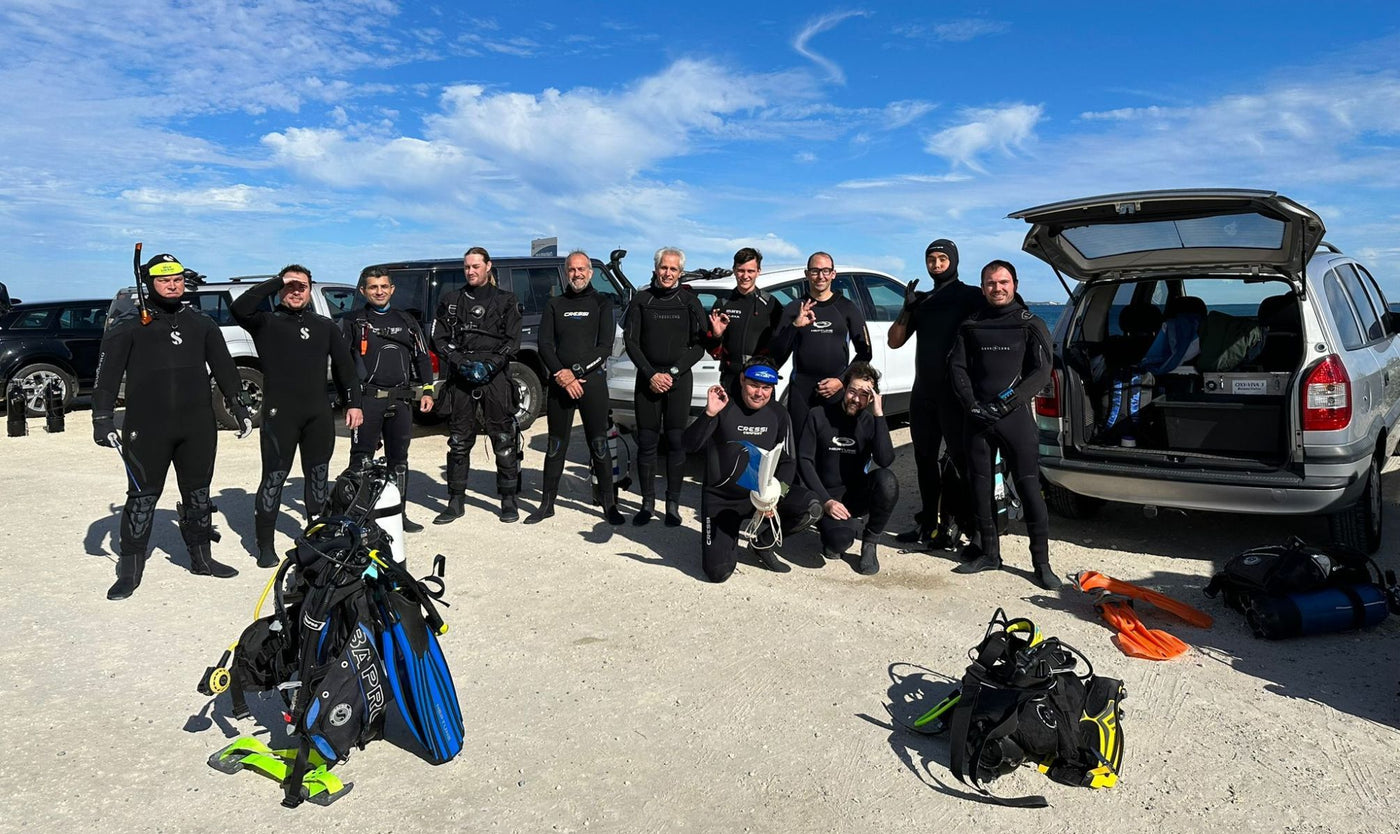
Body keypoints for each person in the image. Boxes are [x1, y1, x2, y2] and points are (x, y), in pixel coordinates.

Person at [93, 253, 253, 599]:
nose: (172, 285)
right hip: (147, 428)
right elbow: (106, 377)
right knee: (142, 498)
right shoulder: (130, 324)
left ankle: (202, 559)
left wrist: (239, 407)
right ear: (150, 283)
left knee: (198, 495)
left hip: (197, 425)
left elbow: (225, 368)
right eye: (164, 280)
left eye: (178, 279)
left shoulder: (201, 323)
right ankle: (130, 570)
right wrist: (102, 418)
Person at [232, 265, 362, 567]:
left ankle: (316, 535)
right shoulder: (265, 322)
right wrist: (278, 280)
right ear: (280, 289)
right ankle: (264, 544)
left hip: (317, 413)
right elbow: (240, 307)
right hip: (281, 415)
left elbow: (345, 368)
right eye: (289, 286)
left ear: (309, 289)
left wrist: (353, 403)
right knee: (274, 478)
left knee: (318, 476)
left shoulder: (324, 325)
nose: (295, 291)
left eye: (301, 286)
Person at [948, 260, 1060, 590]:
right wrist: (971, 404)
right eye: (991, 283)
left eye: (1003, 282)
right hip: (978, 418)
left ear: (1015, 284)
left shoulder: (1030, 323)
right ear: (982, 287)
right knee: (979, 486)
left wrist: (1005, 403)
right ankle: (989, 553)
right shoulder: (971, 324)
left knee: (1029, 488)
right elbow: (957, 368)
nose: (997, 288)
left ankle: (1041, 563)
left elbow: (1040, 372)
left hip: (1013, 418)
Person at [682, 359, 823, 583]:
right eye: (753, 385)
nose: (759, 393)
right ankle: (724, 542)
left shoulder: (778, 414)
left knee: (811, 507)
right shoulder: (723, 405)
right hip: (721, 501)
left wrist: (776, 497)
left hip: (759, 497)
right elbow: (688, 446)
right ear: (741, 380)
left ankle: (761, 543)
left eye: (766, 387)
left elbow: (788, 463)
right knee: (718, 573)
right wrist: (709, 414)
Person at [886, 238, 986, 550]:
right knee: (923, 459)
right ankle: (929, 522)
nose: (937, 264)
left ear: (954, 261)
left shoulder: (971, 296)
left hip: (956, 393)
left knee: (962, 459)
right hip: (924, 392)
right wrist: (906, 308)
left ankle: (973, 526)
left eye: (943, 258)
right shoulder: (922, 301)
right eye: (932, 259)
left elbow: (999, 322)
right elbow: (894, 341)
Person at [526, 251, 626, 526]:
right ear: (566, 272)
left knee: (599, 444)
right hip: (561, 384)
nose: (577, 274)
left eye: (582, 269)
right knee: (556, 445)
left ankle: (609, 505)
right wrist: (562, 375)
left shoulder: (601, 303)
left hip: (591, 384)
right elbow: (545, 344)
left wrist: (577, 372)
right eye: (572, 269)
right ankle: (547, 504)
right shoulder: (555, 304)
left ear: (590, 272)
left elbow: (605, 346)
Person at [431, 247, 523, 524]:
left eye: (476, 266)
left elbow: (513, 340)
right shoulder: (451, 300)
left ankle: (508, 500)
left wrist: (492, 365)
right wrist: (459, 362)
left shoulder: (507, 300)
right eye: (467, 267)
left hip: (495, 377)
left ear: (488, 267)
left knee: (503, 439)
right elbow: (439, 338)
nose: (471, 271)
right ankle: (455, 500)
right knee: (459, 441)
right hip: (461, 374)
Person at [341, 266, 436, 532]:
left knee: (399, 461)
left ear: (392, 289)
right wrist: (352, 403)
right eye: (373, 287)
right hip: (368, 401)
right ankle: (359, 518)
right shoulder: (353, 321)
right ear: (363, 291)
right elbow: (343, 366)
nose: (379, 291)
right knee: (361, 462)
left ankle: (398, 515)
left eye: (384, 286)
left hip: (402, 400)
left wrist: (427, 389)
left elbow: (421, 356)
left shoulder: (406, 320)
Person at [622, 246, 707, 527]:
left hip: (678, 381)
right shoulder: (642, 300)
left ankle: (672, 504)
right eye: (663, 267)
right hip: (647, 380)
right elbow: (631, 342)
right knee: (646, 444)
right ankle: (647, 503)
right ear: (655, 268)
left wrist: (671, 372)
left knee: (675, 444)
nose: (668, 273)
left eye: (673, 269)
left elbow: (699, 345)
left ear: (680, 272)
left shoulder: (689, 302)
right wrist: (650, 374)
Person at [797, 361, 898, 576]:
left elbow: (885, 459)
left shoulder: (870, 421)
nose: (856, 399)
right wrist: (826, 501)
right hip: (826, 494)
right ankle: (831, 528)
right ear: (844, 388)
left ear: (871, 397)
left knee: (887, 480)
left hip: (854, 495)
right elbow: (804, 460)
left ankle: (870, 541)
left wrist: (879, 415)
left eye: (864, 394)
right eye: (852, 391)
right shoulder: (818, 415)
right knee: (838, 543)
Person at [769, 251, 872, 444]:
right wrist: (794, 327)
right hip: (802, 390)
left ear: (833, 274)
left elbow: (866, 353)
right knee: (800, 447)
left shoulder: (847, 308)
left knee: (833, 448)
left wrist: (842, 381)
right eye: (815, 271)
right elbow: (776, 353)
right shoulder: (794, 308)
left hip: (835, 390)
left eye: (826, 271)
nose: (821, 276)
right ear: (807, 274)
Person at [700, 247, 784, 394]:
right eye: (741, 270)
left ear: (758, 271)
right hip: (731, 378)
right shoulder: (723, 304)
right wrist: (717, 335)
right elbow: (712, 348)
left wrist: (772, 368)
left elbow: (783, 343)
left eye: (750, 271)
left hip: (760, 380)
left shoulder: (771, 304)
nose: (745, 276)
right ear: (734, 270)